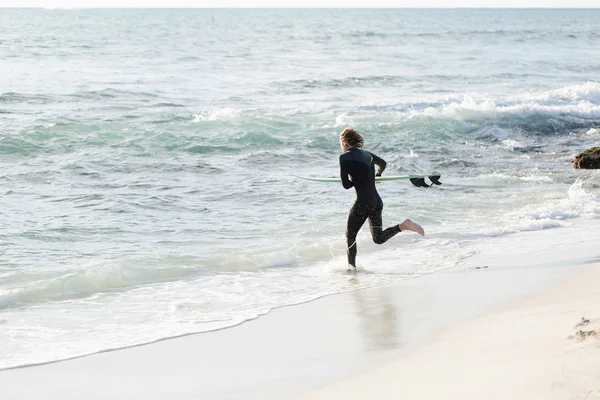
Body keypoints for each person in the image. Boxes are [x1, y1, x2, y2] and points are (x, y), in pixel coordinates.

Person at [338, 127, 424, 269]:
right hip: (376, 201)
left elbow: (346, 185)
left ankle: (351, 269)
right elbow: (383, 164)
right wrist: (377, 175)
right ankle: (403, 226)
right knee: (378, 238)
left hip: (363, 202)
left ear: (344, 141)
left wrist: (356, 180)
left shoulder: (344, 157)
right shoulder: (368, 155)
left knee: (350, 236)